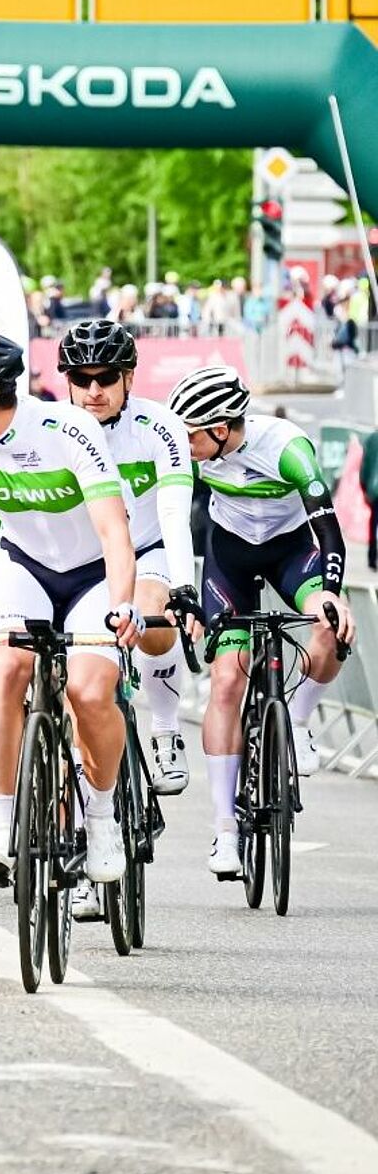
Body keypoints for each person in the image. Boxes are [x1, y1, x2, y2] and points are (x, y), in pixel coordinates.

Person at [0, 327, 141, 890]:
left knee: (91, 692)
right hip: (23, 567)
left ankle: (100, 819)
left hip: (92, 574)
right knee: (8, 668)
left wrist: (122, 605)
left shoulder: (68, 429)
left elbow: (115, 529)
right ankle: (2, 828)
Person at [168, 367, 354, 877]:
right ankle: (224, 830)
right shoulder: (190, 456)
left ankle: (296, 721)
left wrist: (332, 595)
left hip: (292, 551)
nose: (184, 444)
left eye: (191, 434)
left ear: (222, 427)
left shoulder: (288, 450)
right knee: (228, 678)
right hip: (230, 555)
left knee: (329, 626)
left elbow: (331, 536)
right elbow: (167, 525)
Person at [57, 321, 201, 798]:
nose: (94, 390)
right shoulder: (53, 431)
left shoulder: (159, 428)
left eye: (106, 378)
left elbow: (174, 511)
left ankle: (164, 728)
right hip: (82, 562)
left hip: (146, 549)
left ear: (129, 379)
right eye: (81, 380)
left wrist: (183, 588)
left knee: (155, 623)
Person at [363, 420, 378, 573]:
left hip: (374, 489)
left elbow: (365, 467)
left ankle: (372, 558)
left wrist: (365, 488)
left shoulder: (371, 439)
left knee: (373, 524)